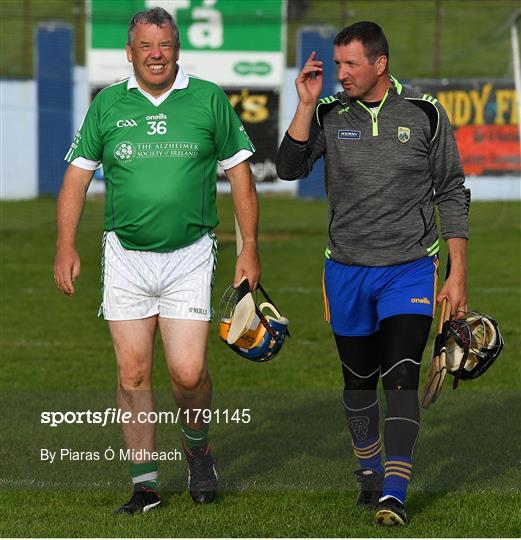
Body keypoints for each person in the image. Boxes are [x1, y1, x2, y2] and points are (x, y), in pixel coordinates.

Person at [54, 7, 260, 514]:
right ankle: (144, 485)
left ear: (177, 48)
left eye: (164, 45)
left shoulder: (208, 98)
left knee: (188, 374)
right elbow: (77, 178)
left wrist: (248, 247)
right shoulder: (107, 105)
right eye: (145, 46)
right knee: (132, 374)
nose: (155, 54)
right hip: (125, 256)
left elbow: (240, 176)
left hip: (190, 255)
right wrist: (65, 244)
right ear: (130, 52)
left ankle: (198, 448)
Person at [276, 21, 469, 526]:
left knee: (401, 377)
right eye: (337, 64)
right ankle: (368, 473)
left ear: (379, 64)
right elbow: (288, 167)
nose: (341, 74)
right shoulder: (328, 112)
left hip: (409, 268)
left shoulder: (425, 113)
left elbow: (451, 190)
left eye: (350, 65)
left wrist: (457, 271)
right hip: (345, 271)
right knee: (358, 381)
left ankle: (394, 493)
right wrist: (303, 103)